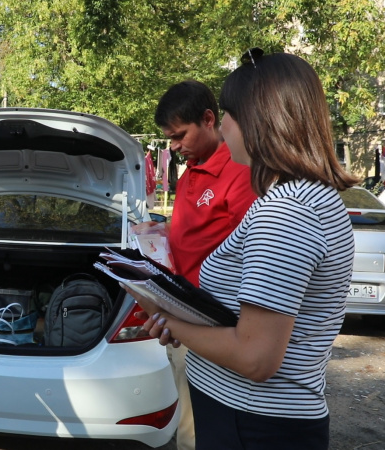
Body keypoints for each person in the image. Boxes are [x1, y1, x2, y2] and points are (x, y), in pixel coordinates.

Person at [136, 49, 358, 450]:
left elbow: (256, 357)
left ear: (258, 120)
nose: (222, 124)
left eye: (228, 113)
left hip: (253, 419)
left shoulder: (287, 213)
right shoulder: (305, 198)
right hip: (251, 414)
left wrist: (169, 320)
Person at [137, 80, 256, 450]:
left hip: (212, 319)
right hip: (182, 314)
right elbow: (195, 229)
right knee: (186, 415)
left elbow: (251, 246)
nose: (173, 146)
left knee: (196, 431)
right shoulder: (190, 171)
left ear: (209, 120)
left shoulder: (239, 173)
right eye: (169, 138)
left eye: (179, 135)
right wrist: (161, 229)